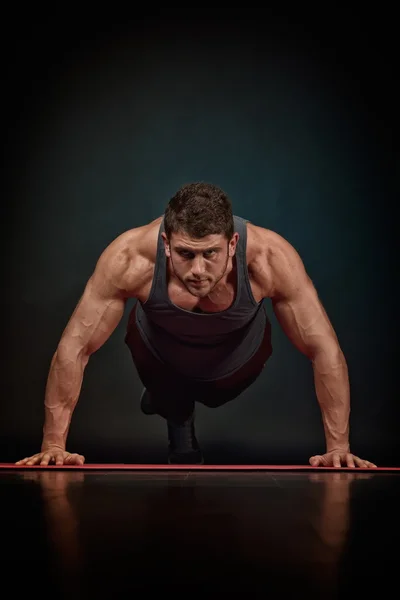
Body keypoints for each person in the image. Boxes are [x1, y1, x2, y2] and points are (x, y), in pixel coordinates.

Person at [16, 182, 377, 468]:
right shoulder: (129, 257)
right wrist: (53, 445)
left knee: (210, 392)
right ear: (166, 243)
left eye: (211, 254)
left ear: (232, 243)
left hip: (234, 361)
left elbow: (323, 348)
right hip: (160, 350)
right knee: (162, 373)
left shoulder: (269, 258)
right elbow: (74, 347)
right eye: (186, 254)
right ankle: (174, 407)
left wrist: (338, 449)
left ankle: (171, 400)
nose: (198, 270)